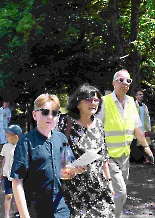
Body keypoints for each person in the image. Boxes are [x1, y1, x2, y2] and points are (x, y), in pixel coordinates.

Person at [97, 70, 154, 218]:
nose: (124, 83)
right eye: (121, 80)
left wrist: (146, 147)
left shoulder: (130, 102)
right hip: (108, 156)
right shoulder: (104, 102)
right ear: (113, 83)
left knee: (120, 194)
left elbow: (137, 127)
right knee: (120, 192)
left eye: (128, 81)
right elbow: (94, 128)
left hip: (124, 155)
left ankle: (107, 212)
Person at [57, 84, 115, 217]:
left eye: (96, 100)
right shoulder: (66, 122)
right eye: (89, 99)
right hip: (73, 188)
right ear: (78, 103)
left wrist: (109, 182)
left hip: (98, 187)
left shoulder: (99, 124)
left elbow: (104, 156)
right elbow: (54, 150)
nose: (93, 103)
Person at [11, 93, 71, 218]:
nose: (50, 116)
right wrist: (24, 215)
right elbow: (17, 181)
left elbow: (68, 166)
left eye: (55, 113)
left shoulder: (61, 138)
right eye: (45, 112)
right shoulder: (25, 142)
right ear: (34, 115)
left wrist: (74, 169)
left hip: (61, 209)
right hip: (36, 211)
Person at [0, 125, 22, 218]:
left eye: (8, 135)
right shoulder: (6, 146)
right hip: (7, 175)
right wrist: (1, 171)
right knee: (8, 196)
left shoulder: (21, 147)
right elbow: (4, 159)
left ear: (16, 137)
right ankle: (7, 215)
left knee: (18, 196)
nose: (6, 137)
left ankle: (17, 212)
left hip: (17, 177)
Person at [130, 90, 153, 163]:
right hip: (136, 126)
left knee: (144, 142)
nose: (141, 96)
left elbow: (147, 117)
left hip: (144, 127)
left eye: (142, 95)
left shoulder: (144, 106)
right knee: (135, 142)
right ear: (136, 96)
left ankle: (145, 158)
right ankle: (136, 158)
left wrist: (148, 128)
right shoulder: (133, 105)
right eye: (139, 94)